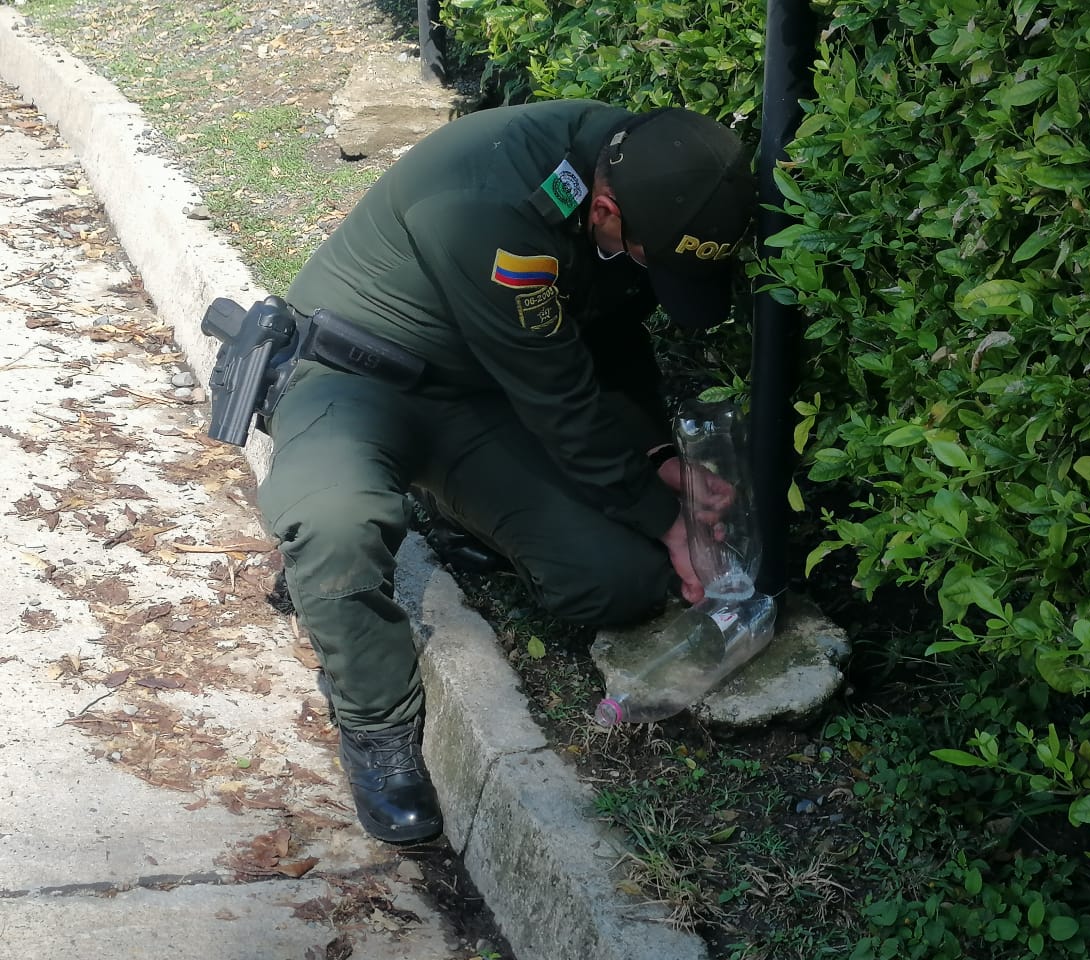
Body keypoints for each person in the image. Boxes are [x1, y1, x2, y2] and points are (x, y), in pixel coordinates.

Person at [254, 99, 755, 843]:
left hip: (480, 394)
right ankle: (376, 725)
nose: (651, 273)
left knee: (615, 579)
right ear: (606, 209)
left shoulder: (648, 167)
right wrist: (664, 518)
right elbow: (559, 397)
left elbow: (613, 336)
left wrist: (656, 459)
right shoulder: (490, 208)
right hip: (354, 376)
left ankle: (454, 505)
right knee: (334, 522)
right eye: (652, 257)